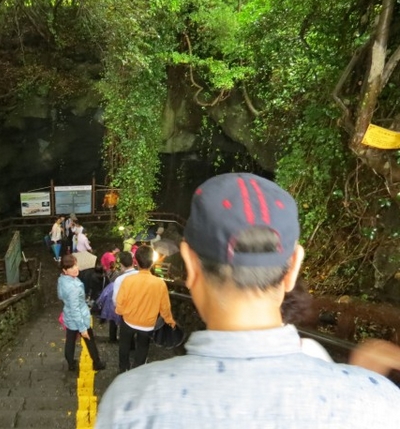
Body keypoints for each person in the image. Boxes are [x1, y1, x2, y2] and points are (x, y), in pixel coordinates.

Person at [96, 172, 400, 428]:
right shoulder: (378, 403)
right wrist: (361, 380)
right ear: (293, 266)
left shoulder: (131, 403)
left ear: (190, 264)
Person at [115, 245, 176, 373]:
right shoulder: (160, 283)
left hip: (128, 319)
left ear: (136, 261)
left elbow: (120, 302)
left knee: (124, 345)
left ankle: (123, 369)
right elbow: (165, 307)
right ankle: (138, 371)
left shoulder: (128, 280)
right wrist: (170, 321)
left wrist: (120, 312)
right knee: (142, 347)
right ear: (152, 262)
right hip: (147, 324)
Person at [56, 254, 106, 372]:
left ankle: (71, 364)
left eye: (75, 265)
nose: (75, 269)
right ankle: (97, 363)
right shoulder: (73, 287)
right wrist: (82, 328)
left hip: (69, 316)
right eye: (71, 267)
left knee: (70, 340)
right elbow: (75, 309)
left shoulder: (62, 279)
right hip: (79, 318)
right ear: (64, 270)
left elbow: (60, 296)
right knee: (89, 340)